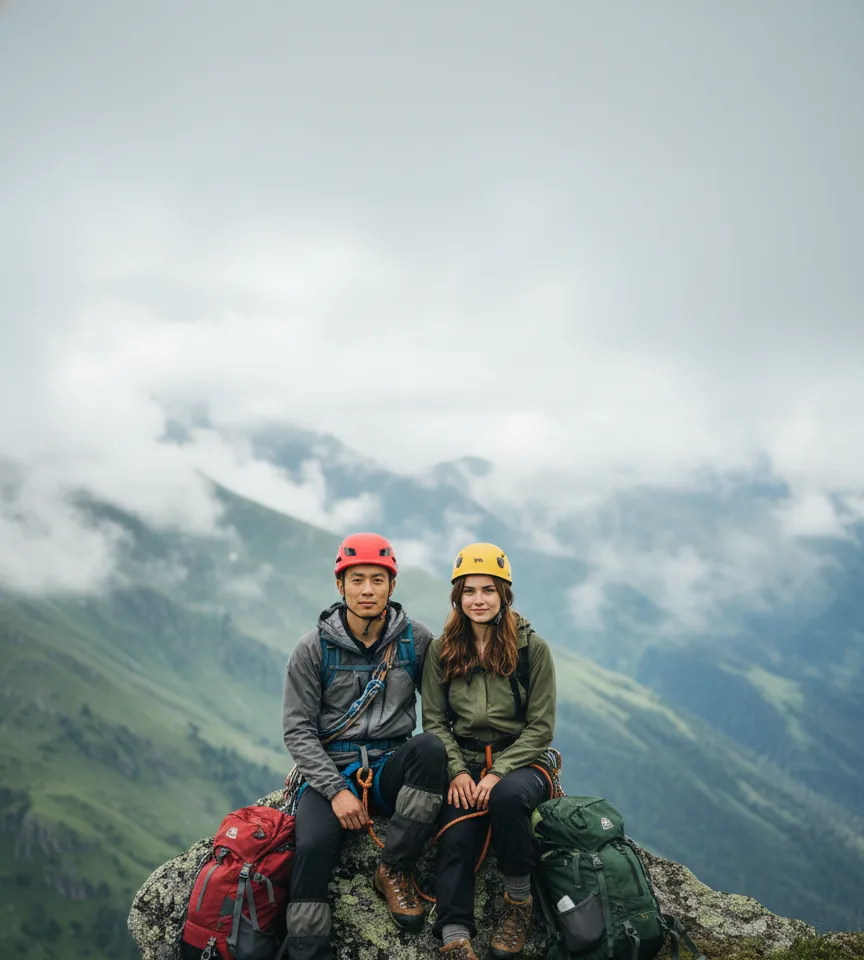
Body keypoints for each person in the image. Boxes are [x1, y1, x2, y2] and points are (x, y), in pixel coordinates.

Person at [282, 533, 448, 960]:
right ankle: (306, 949)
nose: (368, 590)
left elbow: (443, 711)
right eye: (357, 580)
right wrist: (336, 792)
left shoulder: (417, 640)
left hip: (391, 764)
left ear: (392, 586)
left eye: (378, 579)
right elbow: (298, 730)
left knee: (430, 749)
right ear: (340, 586)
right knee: (314, 846)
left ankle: (393, 869)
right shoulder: (312, 648)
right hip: (332, 771)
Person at [421, 543, 557, 960]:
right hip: (465, 762)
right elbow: (433, 721)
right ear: (457, 597)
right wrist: (459, 772)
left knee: (508, 798)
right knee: (457, 833)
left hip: (523, 761)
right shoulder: (443, 649)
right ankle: (455, 935)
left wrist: (500, 772)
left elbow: (541, 728)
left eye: (488, 591)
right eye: (468, 591)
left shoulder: (531, 650)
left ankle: (518, 903)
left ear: (504, 595)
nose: (478, 600)